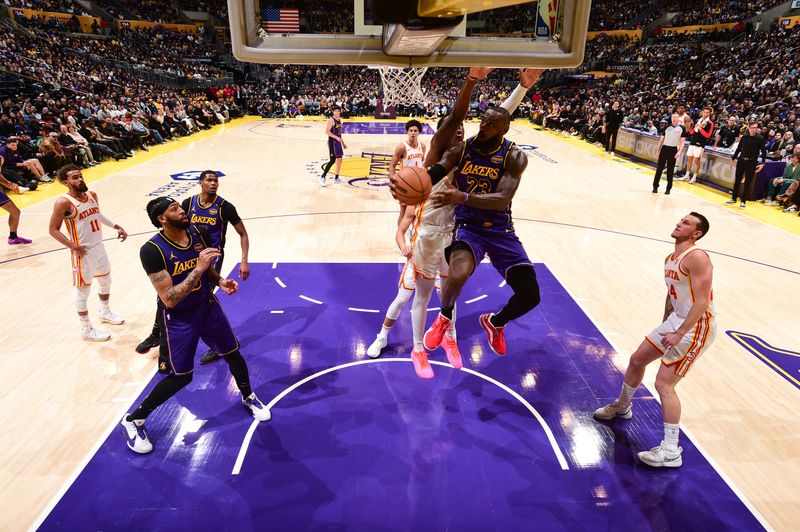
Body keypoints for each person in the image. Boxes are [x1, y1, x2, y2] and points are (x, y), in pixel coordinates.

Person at [122, 197, 269, 454]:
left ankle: (248, 397)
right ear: (162, 219)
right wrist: (199, 269)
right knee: (182, 376)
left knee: (232, 353)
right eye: (175, 209)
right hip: (180, 318)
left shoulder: (195, 232)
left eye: (180, 206)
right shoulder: (152, 250)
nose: (182, 210)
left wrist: (220, 280)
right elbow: (169, 298)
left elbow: (207, 268)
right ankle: (134, 419)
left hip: (207, 307)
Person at [594, 213, 716, 468]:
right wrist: (665, 324)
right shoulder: (671, 258)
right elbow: (672, 296)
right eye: (680, 220)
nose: (679, 223)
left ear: (696, 234)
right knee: (637, 359)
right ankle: (623, 406)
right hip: (677, 321)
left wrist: (680, 332)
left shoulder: (697, 256)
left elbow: (703, 301)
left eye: (686, 223)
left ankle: (671, 451)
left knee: (664, 385)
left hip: (696, 327)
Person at [418, 105, 539, 358]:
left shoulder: (514, 157)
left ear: (504, 129)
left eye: (491, 124)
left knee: (530, 295)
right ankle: (444, 316)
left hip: (501, 229)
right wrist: (416, 180)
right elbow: (437, 170)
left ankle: (496, 322)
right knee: (459, 272)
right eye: (482, 122)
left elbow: (503, 199)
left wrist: (462, 196)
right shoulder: (462, 150)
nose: (483, 127)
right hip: (468, 227)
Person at [136, 170, 251, 364]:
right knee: (165, 297)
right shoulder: (188, 204)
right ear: (200, 183)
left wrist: (244, 260)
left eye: (216, 180)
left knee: (204, 298)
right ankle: (158, 333)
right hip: (185, 255)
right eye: (209, 180)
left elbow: (243, 233)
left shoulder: (224, 207)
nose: (213, 183)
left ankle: (218, 343)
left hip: (211, 258)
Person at [48, 165, 127, 341]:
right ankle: (86, 329)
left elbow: (97, 215)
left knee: (106, 280)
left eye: (80, 176)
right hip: (83, 252)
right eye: (75, 178)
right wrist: (72, 246)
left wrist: (116, 226)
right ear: (65, 182)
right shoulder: (64, 202)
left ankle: (104, 311)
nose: (80, 180)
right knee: (83, 291)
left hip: (99, 246)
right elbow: (53, 230)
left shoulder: (92, 195)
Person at [728, 122, 768, 208]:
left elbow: (764, 151)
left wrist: (763, 163)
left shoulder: (760, 138)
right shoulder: (744, 137)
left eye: (755, 128)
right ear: (749, 128)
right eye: (752, 127)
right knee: (737, 180)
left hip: (751, 162)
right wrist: (733, 158)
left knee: (747, 182)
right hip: (741, 160)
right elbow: (739, 148)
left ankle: (743, 201)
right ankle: (733, 198)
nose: (754, 129)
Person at [652, 113, 686, 195]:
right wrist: (657, 150)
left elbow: (682, 141)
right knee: (659, 169)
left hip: (673, 149)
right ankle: (655, 186)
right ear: (671, 119)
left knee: (670, 171)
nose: (674, 118)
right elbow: (661, 139)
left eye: (676, 117)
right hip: (664, 149)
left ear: (679, 118)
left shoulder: (682, 128)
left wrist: (679, 152)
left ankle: (668, 188)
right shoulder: (667, 127)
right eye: (673, 117)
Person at [0, 170, 32, 245]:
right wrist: (8, 184)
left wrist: (8, 183)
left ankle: (13, 237)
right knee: (15, 212)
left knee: (15, 212)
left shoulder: (1, 159)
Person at [684, 107, 714, 184]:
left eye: (707, 112)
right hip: (693, 142)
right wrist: (691, 127)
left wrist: (700, 129)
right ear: (702, 112)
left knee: (697, 161)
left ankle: (694, 177)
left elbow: (708, 136)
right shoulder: (698, 120)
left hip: (700, 144)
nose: (705, 114)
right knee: (689, 159)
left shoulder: (710, 123)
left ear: (710, 113)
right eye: (704, 112)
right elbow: (691, 133)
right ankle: (687, 175)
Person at [320, 106, 346, 186]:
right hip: (332, 142)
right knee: (332, 160)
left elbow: (339, 133)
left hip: (338, 142)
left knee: (340, 159)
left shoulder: (339, 120)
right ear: (333, 112)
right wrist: (336, 138)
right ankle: (322, 177)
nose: (337, 112)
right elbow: (327, 132)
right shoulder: (331, 120)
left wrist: (343, 143)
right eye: (336, 111)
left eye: (338, 111)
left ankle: (337, 178)